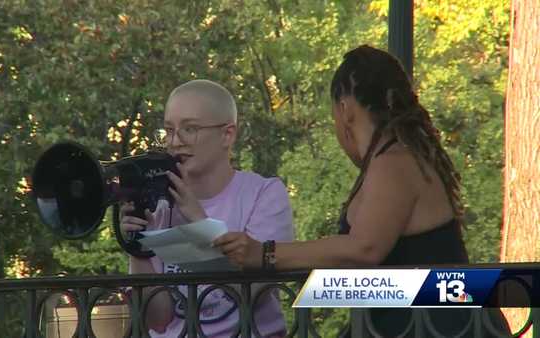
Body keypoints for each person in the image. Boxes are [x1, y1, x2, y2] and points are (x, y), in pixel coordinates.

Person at [213, 45, 510, 336]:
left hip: (440, 326)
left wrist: (266, 254)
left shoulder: (394, 162)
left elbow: (364, 248)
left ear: (345, 109)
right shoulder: (395, 159)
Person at [120, 79, 294, 337]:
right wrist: (137, 247)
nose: (175, 141)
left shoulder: (264, 194)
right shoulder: (159, 204)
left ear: (227, 134)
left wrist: (198, 221)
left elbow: (253, 293)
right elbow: (157, 320)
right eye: (169, 130)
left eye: (190, 129)